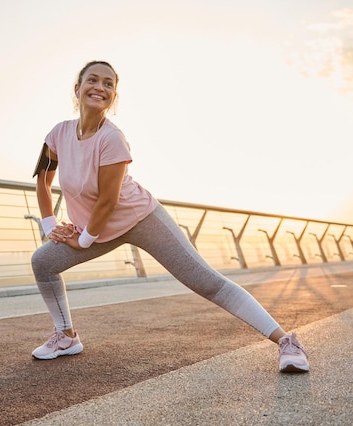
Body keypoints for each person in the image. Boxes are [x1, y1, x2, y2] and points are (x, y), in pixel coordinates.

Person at [31, 60, 309, 373]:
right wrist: (51, 227)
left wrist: (83, 241)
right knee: (43, 261)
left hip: (139, 218)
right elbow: (42, 178)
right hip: (94, 228)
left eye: (109, 84)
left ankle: (286, 341)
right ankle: (66, 336)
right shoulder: (57, 134)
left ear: (114, 95)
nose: (100, 87)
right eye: (93, 80)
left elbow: (108, 202)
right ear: (77, 88)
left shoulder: (112, 139)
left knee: (207, 283)